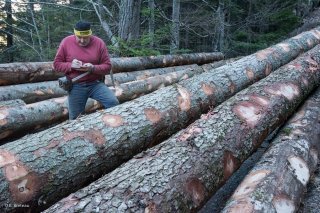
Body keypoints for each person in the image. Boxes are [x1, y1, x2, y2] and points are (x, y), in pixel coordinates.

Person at [54, 20, 119, 120]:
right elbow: (57, 65)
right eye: (79, 37)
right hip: (76, 85)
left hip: (95, 84)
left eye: (85, 38)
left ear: (90, 34)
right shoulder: (66, 42)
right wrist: (71, 65)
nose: (82, 40)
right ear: (75, 34)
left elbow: (107, 66)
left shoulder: (99, 43)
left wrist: (93, 68)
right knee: (75, 118)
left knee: (113, 103)